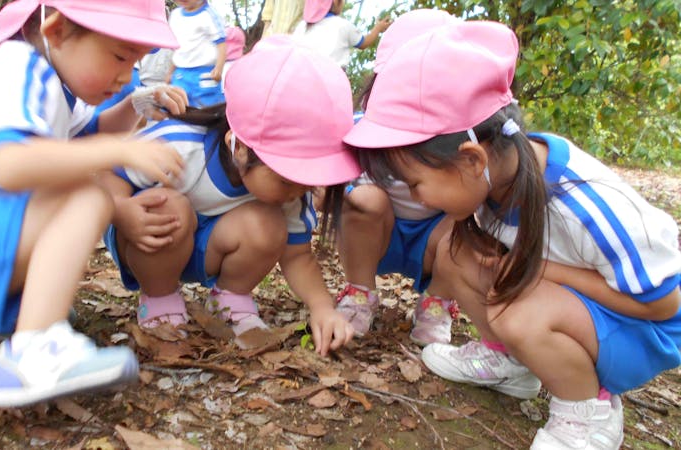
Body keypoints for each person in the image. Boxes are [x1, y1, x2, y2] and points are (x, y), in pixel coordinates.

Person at [344, 18, 681, 449]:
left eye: (416, 183)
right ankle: (510, 361)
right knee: (455, 251)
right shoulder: (493, 180)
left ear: (470, 160)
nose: (415, 196)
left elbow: (662, 305)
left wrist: (539, 271)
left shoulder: (586, 204)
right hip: (580, 310)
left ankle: (589, 411)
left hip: (641, 332)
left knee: (518, 314)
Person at [0, 0, 189, 408]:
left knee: (75, 185)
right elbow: (12, 165)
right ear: (57, 30)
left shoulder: (50, 84)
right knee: (86, 194)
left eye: (135, 62)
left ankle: (12, 317)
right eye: (119, 56)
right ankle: (33, 351)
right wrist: (118, 151)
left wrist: (138, 107)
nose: (125, 76)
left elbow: (83, 135)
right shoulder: (17, 69)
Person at [101, 37, 359, 355]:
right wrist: (121, 211)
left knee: (268, 222)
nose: (299, 190)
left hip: (206, 248)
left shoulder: (293, 189)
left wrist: (323, 308)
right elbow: (109, 176)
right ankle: (159, 299)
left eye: (307, 181)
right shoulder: (179, 146)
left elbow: (297, 256)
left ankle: (230, 298)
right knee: (170, 206)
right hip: (147, 240)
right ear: (239, 148)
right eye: (285, 178)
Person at [335, 9, 461, 344]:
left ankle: (437, 300)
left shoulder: (468, 135)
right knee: (363, 197)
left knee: (468, 222)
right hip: (377, 232)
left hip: (436, 237)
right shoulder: (362, 126)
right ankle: (359, 292)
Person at [292, 0, 391, 68]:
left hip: (303, 75)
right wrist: (378, 28)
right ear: (335, 1)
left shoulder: (301, 26)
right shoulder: (342, 25)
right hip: (332, 78)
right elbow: (364, 43)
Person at [167, 0, 228, 107]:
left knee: (207, 109)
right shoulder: (175, 15)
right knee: (178, 106)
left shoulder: (209, 14)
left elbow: (221, 44)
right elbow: (177, 49)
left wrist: (219, 68)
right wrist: (170, 72)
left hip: (203, 73)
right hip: (181, 72)